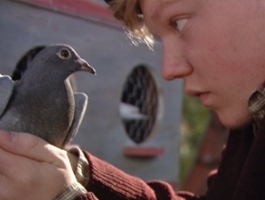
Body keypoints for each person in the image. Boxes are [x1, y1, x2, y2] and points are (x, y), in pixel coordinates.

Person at [1, 0, 265, 199]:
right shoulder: (250, 128)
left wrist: (68, 196)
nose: (168, 70)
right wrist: (79, 173)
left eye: (180, 22)